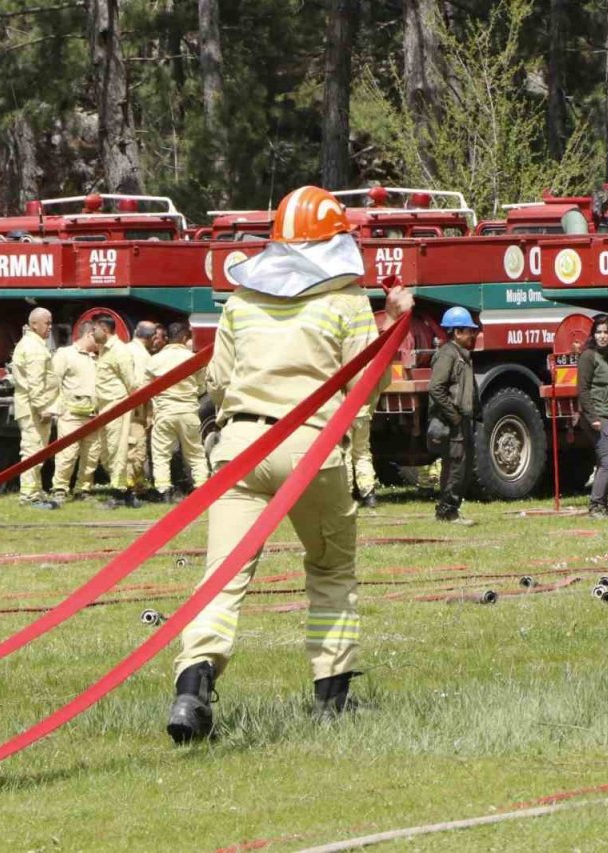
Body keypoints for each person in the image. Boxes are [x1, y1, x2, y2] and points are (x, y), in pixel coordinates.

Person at [168, 185, 413, 743]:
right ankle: (332, 700)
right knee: (330, 573)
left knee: (221, 580)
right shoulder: (348, 301)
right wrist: (391, 325)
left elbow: (220, 382)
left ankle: (192, 689)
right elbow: (363, 389)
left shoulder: (242, 300)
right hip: (314, 449)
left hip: (241, 449)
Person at [428, 306, 481, 525]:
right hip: (453, 423)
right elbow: (436, 388)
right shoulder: (448, 355)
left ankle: (451, 510)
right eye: (469, 330)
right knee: (456, 467)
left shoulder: (461, 355)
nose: (473, 335)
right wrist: (454, 416)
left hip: (462, 421)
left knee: (463, 467)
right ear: (457, 332)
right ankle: (447, 512)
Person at [145, 321, 208, 502]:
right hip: (188, 411)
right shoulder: (193, 358)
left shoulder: (155, 360)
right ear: (184, 338)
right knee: (195, 452)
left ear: (168, 338)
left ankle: (164, 490)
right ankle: (202, 488)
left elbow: (145, 386)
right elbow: (202, 385)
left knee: (161, 454)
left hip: (164, 412)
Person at [10, 307, 59, 509]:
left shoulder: (32, 344)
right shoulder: (34, 348)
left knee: (37, 450)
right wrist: (42, 408)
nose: (50, 327)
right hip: (34, 409)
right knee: (33, 451)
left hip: (31, 406)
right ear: (34, 325)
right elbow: (35, 383)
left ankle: (36, 493)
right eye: (47, 323)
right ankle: (29, 496)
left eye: (50, 322)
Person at [577, 314, 608, 518]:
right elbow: (583, 389)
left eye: (606, 332)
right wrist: (593, 417)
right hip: (598, 416)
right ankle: (596, 506)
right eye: (598, 332)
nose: (602, 336)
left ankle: (603, 506)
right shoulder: (588, 356)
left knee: (604, 461)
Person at [91, 314, 141, 508]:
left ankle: (118, 494)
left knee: (116, 450)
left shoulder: (119, 351)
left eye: (94, 328)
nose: (91, 332)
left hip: (116, 406)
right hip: (104, 407)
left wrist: (129, 406)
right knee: (105, 451)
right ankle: (127, 494)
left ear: (104, 329)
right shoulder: (104, 350)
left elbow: (131, 383)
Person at [49, 321, 101, 504]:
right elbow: (53, 382)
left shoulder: (97, 357)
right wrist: (54, 410)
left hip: (94, 415)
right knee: (67, 454)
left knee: (91, 455)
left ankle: (83, 490)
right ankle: (60, 489)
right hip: (71, 415)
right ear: (89, 335)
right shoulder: (65, 355)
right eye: (99, 337)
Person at [126, 320, 156, 496]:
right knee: (136, 448)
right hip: (136, 410)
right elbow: (142, 387)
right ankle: (130, 487)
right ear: (151, 337)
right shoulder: (143, 356)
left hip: (126, 409)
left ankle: (136, 484)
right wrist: (148, 412)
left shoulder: (127, 349)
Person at [347, 409, 378, 509]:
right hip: (362, 414)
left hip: (344, 415)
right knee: (362, 455)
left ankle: (347, 493)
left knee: (345, 455)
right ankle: (369, 494)